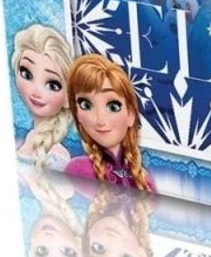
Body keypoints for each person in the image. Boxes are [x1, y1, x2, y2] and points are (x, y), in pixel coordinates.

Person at [65, 54, 154, 192]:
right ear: (77, 114)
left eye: (113, 106)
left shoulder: (144, 180)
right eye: (86, 105)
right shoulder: (77, 170)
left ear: (131, 114)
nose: (100, 121)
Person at [11, 24, 73, 167]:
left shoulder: (57, 156)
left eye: (52, 85)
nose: (36, 91)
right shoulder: (29, 136)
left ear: (67, 98)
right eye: (26, 74)